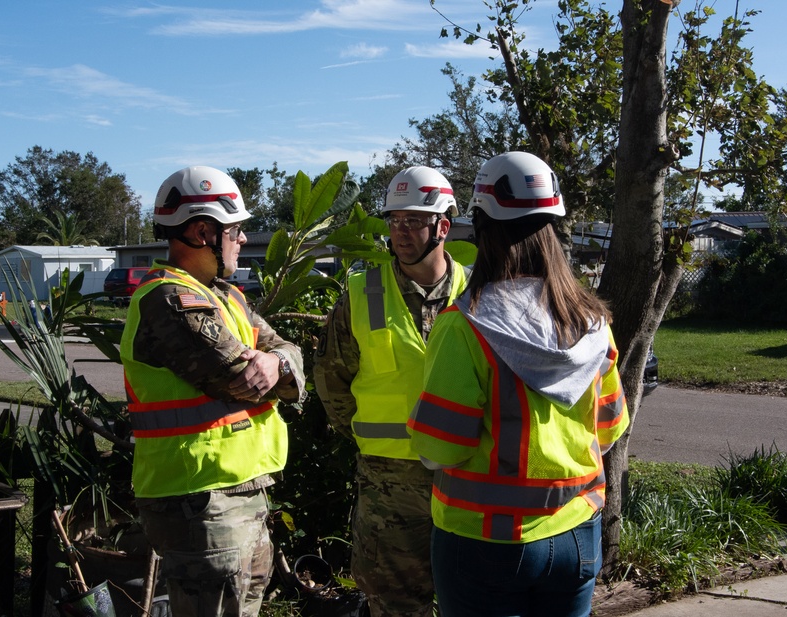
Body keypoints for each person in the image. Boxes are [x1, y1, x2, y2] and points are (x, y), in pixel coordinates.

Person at [406, 151, 629, 617]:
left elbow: (441, 447)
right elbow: (609, 428)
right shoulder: (593, 321)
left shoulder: (465, 325)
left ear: (483, 226)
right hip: (577, 533)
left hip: (483, 542)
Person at [119, 166, 304, 617]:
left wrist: (276, 361)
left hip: (238, 493)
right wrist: (269, 366)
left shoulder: (225, 295)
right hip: (200, 500)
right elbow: (236, 378)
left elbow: (288, 355)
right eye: (236, 230)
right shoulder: (169, 300)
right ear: (203, 231)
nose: (242, 240)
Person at [314, 166, 469, 616]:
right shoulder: (362, 293)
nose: (400, 233)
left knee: (474, 599)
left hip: (468, 475)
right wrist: (368, 438)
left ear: (443, 226)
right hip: (388, 485)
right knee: (396, 604)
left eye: (414, 221)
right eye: (394, 221)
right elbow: (332, 380)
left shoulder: (478, 291)